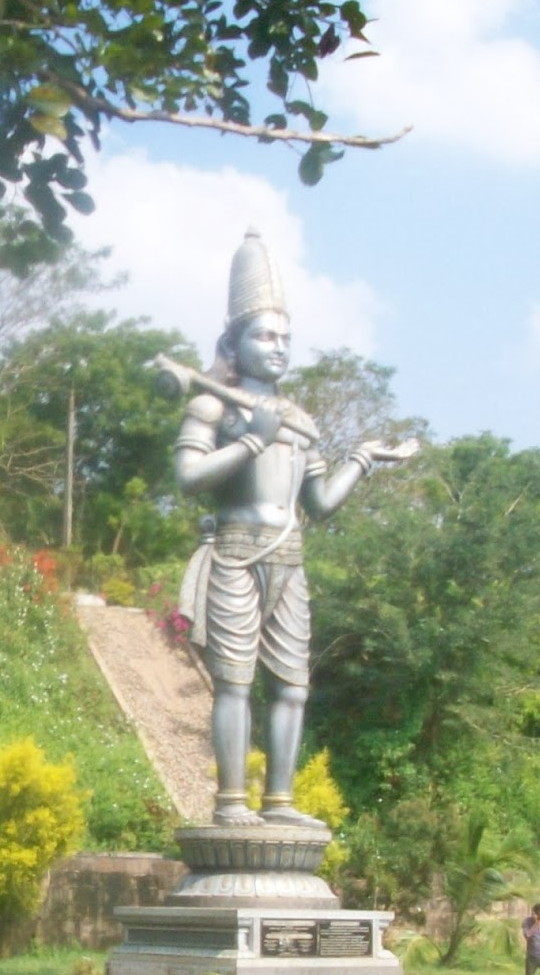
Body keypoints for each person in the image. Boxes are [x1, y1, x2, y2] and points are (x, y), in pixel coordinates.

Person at [173, 228, 417, 825]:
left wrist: (362, 458)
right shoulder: (213, 404)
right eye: (264, 335)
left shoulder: (300, 419)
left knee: (292, 685)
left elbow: (321, 502)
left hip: (290, 555)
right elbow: (188, 476)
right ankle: (232, 800)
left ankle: (279, 800)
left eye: (286, 338)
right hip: (236, 552)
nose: (278, 347)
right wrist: (252, 439)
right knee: (234, 682)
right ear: (234, 342)